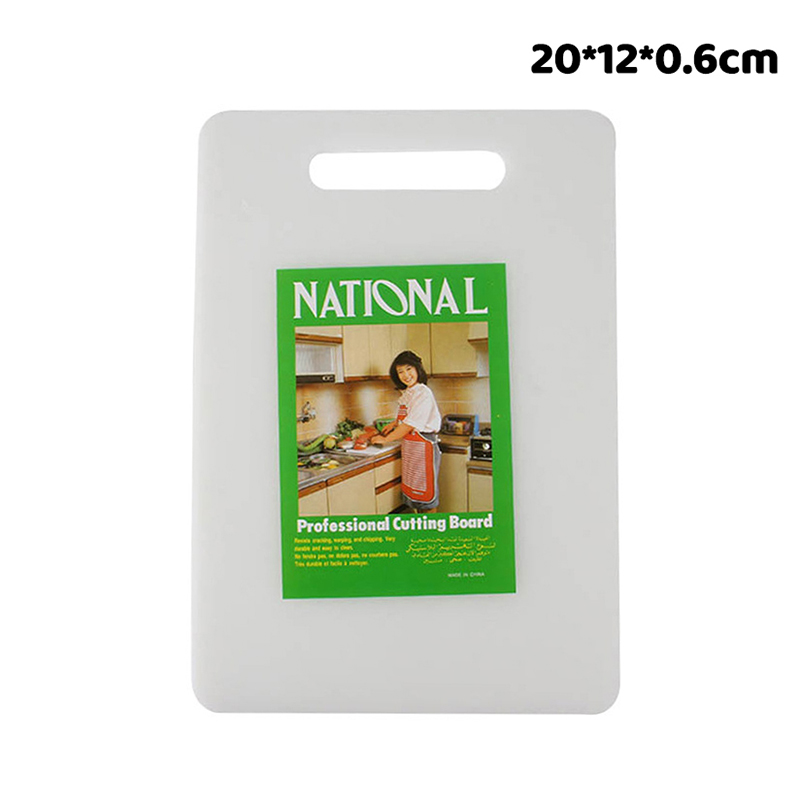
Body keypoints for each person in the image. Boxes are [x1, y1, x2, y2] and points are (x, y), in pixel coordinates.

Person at [371, 350, 442, 513]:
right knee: (414, 493)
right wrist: (394, 424)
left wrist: (386, 439)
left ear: (417, 369)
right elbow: (407, 416)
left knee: (426, 496)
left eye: (409, 369)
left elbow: (409, 424)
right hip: (412, 447)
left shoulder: (423, 393)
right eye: (400, 372)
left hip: (424, 447)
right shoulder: (409, 392)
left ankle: (431, 526)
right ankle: (419, 524)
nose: (406, 375)